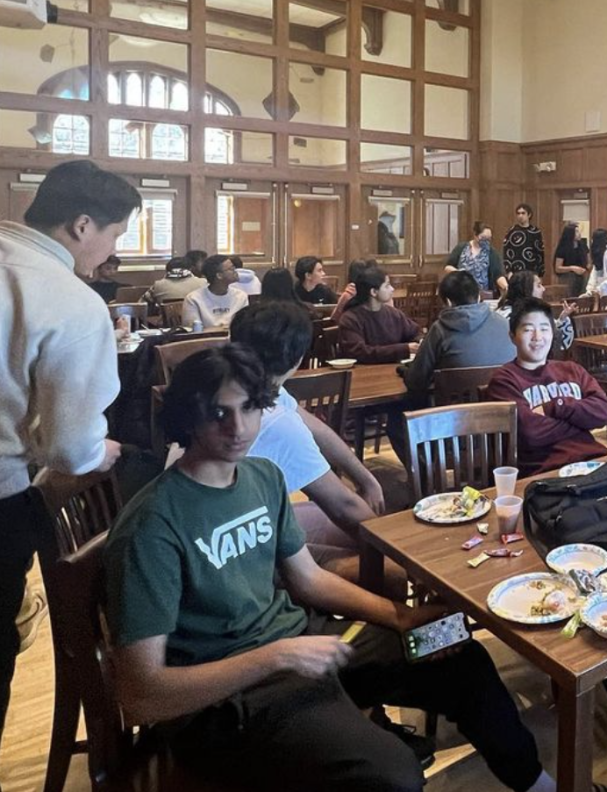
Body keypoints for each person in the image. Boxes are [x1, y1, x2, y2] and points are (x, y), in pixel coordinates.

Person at [103, 344, 565, 792]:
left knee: (455, 651)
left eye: (249, 408)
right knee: (394, 775)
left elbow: (308, 578)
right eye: (218, 413)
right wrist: (278, 655)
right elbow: (142, 694)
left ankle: (537, 784)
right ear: (188, 417)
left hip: (300, 647)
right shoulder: (153, 526)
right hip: (225, 705)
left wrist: (401, 618)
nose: (238, 427)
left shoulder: (261, 477)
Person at [0, 159, 140, 744]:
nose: (109, 252)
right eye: (114, 235)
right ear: (83, 224)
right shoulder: (68, 300)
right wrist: (98, 452)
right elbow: (69, 447)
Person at [228, 304, 399, 591]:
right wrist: (406, 551)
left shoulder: (244, 384)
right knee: (392, 569)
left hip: (236, 526)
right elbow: (343, 507)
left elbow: (316, 427)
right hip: (241, 564)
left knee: (366, 535)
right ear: (297, 359)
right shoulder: (275, 422)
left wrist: (366, 479)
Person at [485, 299, 607, 477]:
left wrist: (554, 406)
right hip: (548, 473)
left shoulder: (572, 369)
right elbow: (530, 433)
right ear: (512, 336)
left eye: (544, 329)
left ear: (553, 333)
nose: (537, 337)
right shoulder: (504, 380)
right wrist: (581, 423)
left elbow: (603, 413)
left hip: (595, 463)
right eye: (528, 329)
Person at [402, 271, 516, 409]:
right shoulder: (504, 324)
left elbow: (416, 381)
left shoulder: (440, 330)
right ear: (479, 296)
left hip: (454, 421)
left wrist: (405, 371)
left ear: (448, 302)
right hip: (503, 416)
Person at [337, 268, 421, 364]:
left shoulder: (394, 314)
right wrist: (404, 349)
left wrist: (418, 342)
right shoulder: (350, 319)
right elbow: (360, 352)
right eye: (387, 285)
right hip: (363, 373)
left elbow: (415, 332)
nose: (392, 289)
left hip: (393, 369)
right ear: (373, 292)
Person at [498, 270, 576, 350]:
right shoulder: (508, 315)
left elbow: (561, 342)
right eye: (539, 286)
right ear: (526, 289)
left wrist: (562, 319)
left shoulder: (534, 311)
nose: (543, 289)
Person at [181, 254, 249, 330]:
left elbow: (244, 327)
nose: (235, 271)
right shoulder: (193, 299)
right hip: (205, 340)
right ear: (219, 275)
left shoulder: (241, 296)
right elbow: (193, 331)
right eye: (231, 269)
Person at [445, 221, 506, 295]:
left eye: (489, 239)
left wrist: (506, 286)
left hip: (483, 293)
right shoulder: (461, 248)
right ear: (475, 235)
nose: (486, 241)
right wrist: (460, 273)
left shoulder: (492, 252)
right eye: (483, 238)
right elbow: (448, 267)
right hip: (460, 292)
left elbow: (498, 275)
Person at [503, 203, 545, 278]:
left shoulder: (535, 232)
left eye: (523, 213)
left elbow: (540, 253)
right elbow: (506, 251)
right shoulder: (511, 231)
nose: (520, 216)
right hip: (515, 272)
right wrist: (508, 271)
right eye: (518, 213)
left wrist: (540, 273)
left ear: (529, 215)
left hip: (531, 271)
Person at [553, 222, 590, 298]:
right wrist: (572, 268)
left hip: (582, 277)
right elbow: (557, 268)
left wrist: (588, 266)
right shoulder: (563, 248)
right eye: (576, 231)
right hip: (568, 278)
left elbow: (588, 261)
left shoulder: (583, 245)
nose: (579, 233)